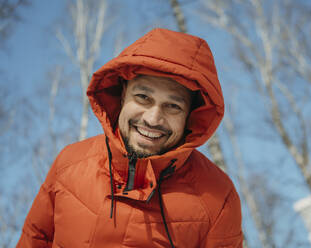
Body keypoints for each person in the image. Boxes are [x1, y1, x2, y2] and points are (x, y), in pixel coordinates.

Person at [17, 28, 243, 248]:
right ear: (124, 93)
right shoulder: (70, 163)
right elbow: (34, 239)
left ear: (191, 115)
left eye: (173, 106)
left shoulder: (217, 197)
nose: (153, 119)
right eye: (143, 97)